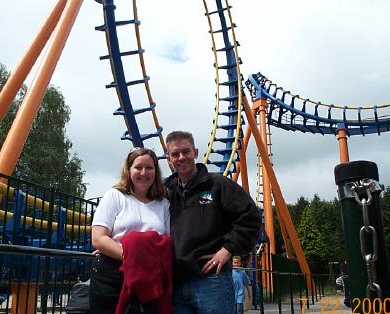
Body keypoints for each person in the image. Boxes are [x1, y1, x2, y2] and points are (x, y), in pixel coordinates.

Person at [164, 131, 262, 313]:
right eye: (175, 154)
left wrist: (228, 249)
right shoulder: (166, 191)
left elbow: (251, 217)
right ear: (169, 159)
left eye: (185, 151)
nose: (181, 157)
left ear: (195, 152)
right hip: (176, 282)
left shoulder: (218, 185)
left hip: (212, 281)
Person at [89, 148, 171, 313]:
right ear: (129, 170)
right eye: (138, 167)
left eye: (149, 167)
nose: (143, 172)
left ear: (156, 171)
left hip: (149, 276)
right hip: (112, 275)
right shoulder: (114, 196)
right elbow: (98, 238)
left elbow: (166, 242)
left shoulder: (163, 204)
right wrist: (129, 255)